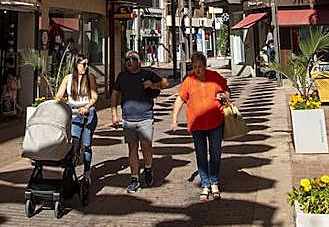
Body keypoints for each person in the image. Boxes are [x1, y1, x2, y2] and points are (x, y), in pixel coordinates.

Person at [169, 51, 230, 202]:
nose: (198, 70)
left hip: (215, 122)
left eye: (200, 66)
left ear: (205, 65)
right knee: (201, 154)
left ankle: (214, 182)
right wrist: (174, 118)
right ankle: (205, 184)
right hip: (197, 125)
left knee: (215, 153)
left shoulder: (215, 77)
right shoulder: (189, 80)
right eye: (195, 67)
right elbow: (180, 99)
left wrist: (224, 96)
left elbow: (227, 92)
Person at [111, 50, 168, 193]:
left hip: (145, 117)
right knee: (132, 148)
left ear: (139, 62)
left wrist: (153, 85)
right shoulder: (122, 77)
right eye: (127, 59)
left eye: (133, 58)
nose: (129, 61)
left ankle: (148, 168)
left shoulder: (147, 74)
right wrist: (114, 113)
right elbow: (115, 93)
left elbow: (165, 83)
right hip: (128, 118)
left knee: (146, 146)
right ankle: (134, 178)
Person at [55, 54, 98, 178]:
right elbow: (58, 96)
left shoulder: (90, 78)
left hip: (87, 112)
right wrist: (62, 105)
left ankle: (87, 172)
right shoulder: (68, 79)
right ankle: (71, 169)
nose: (85, 67)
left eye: (87, 64)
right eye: (83, 64)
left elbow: (94, 96)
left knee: (86, 144)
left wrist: (86, 107)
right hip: (73, 113)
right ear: (76, 65)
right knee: (73, 142)